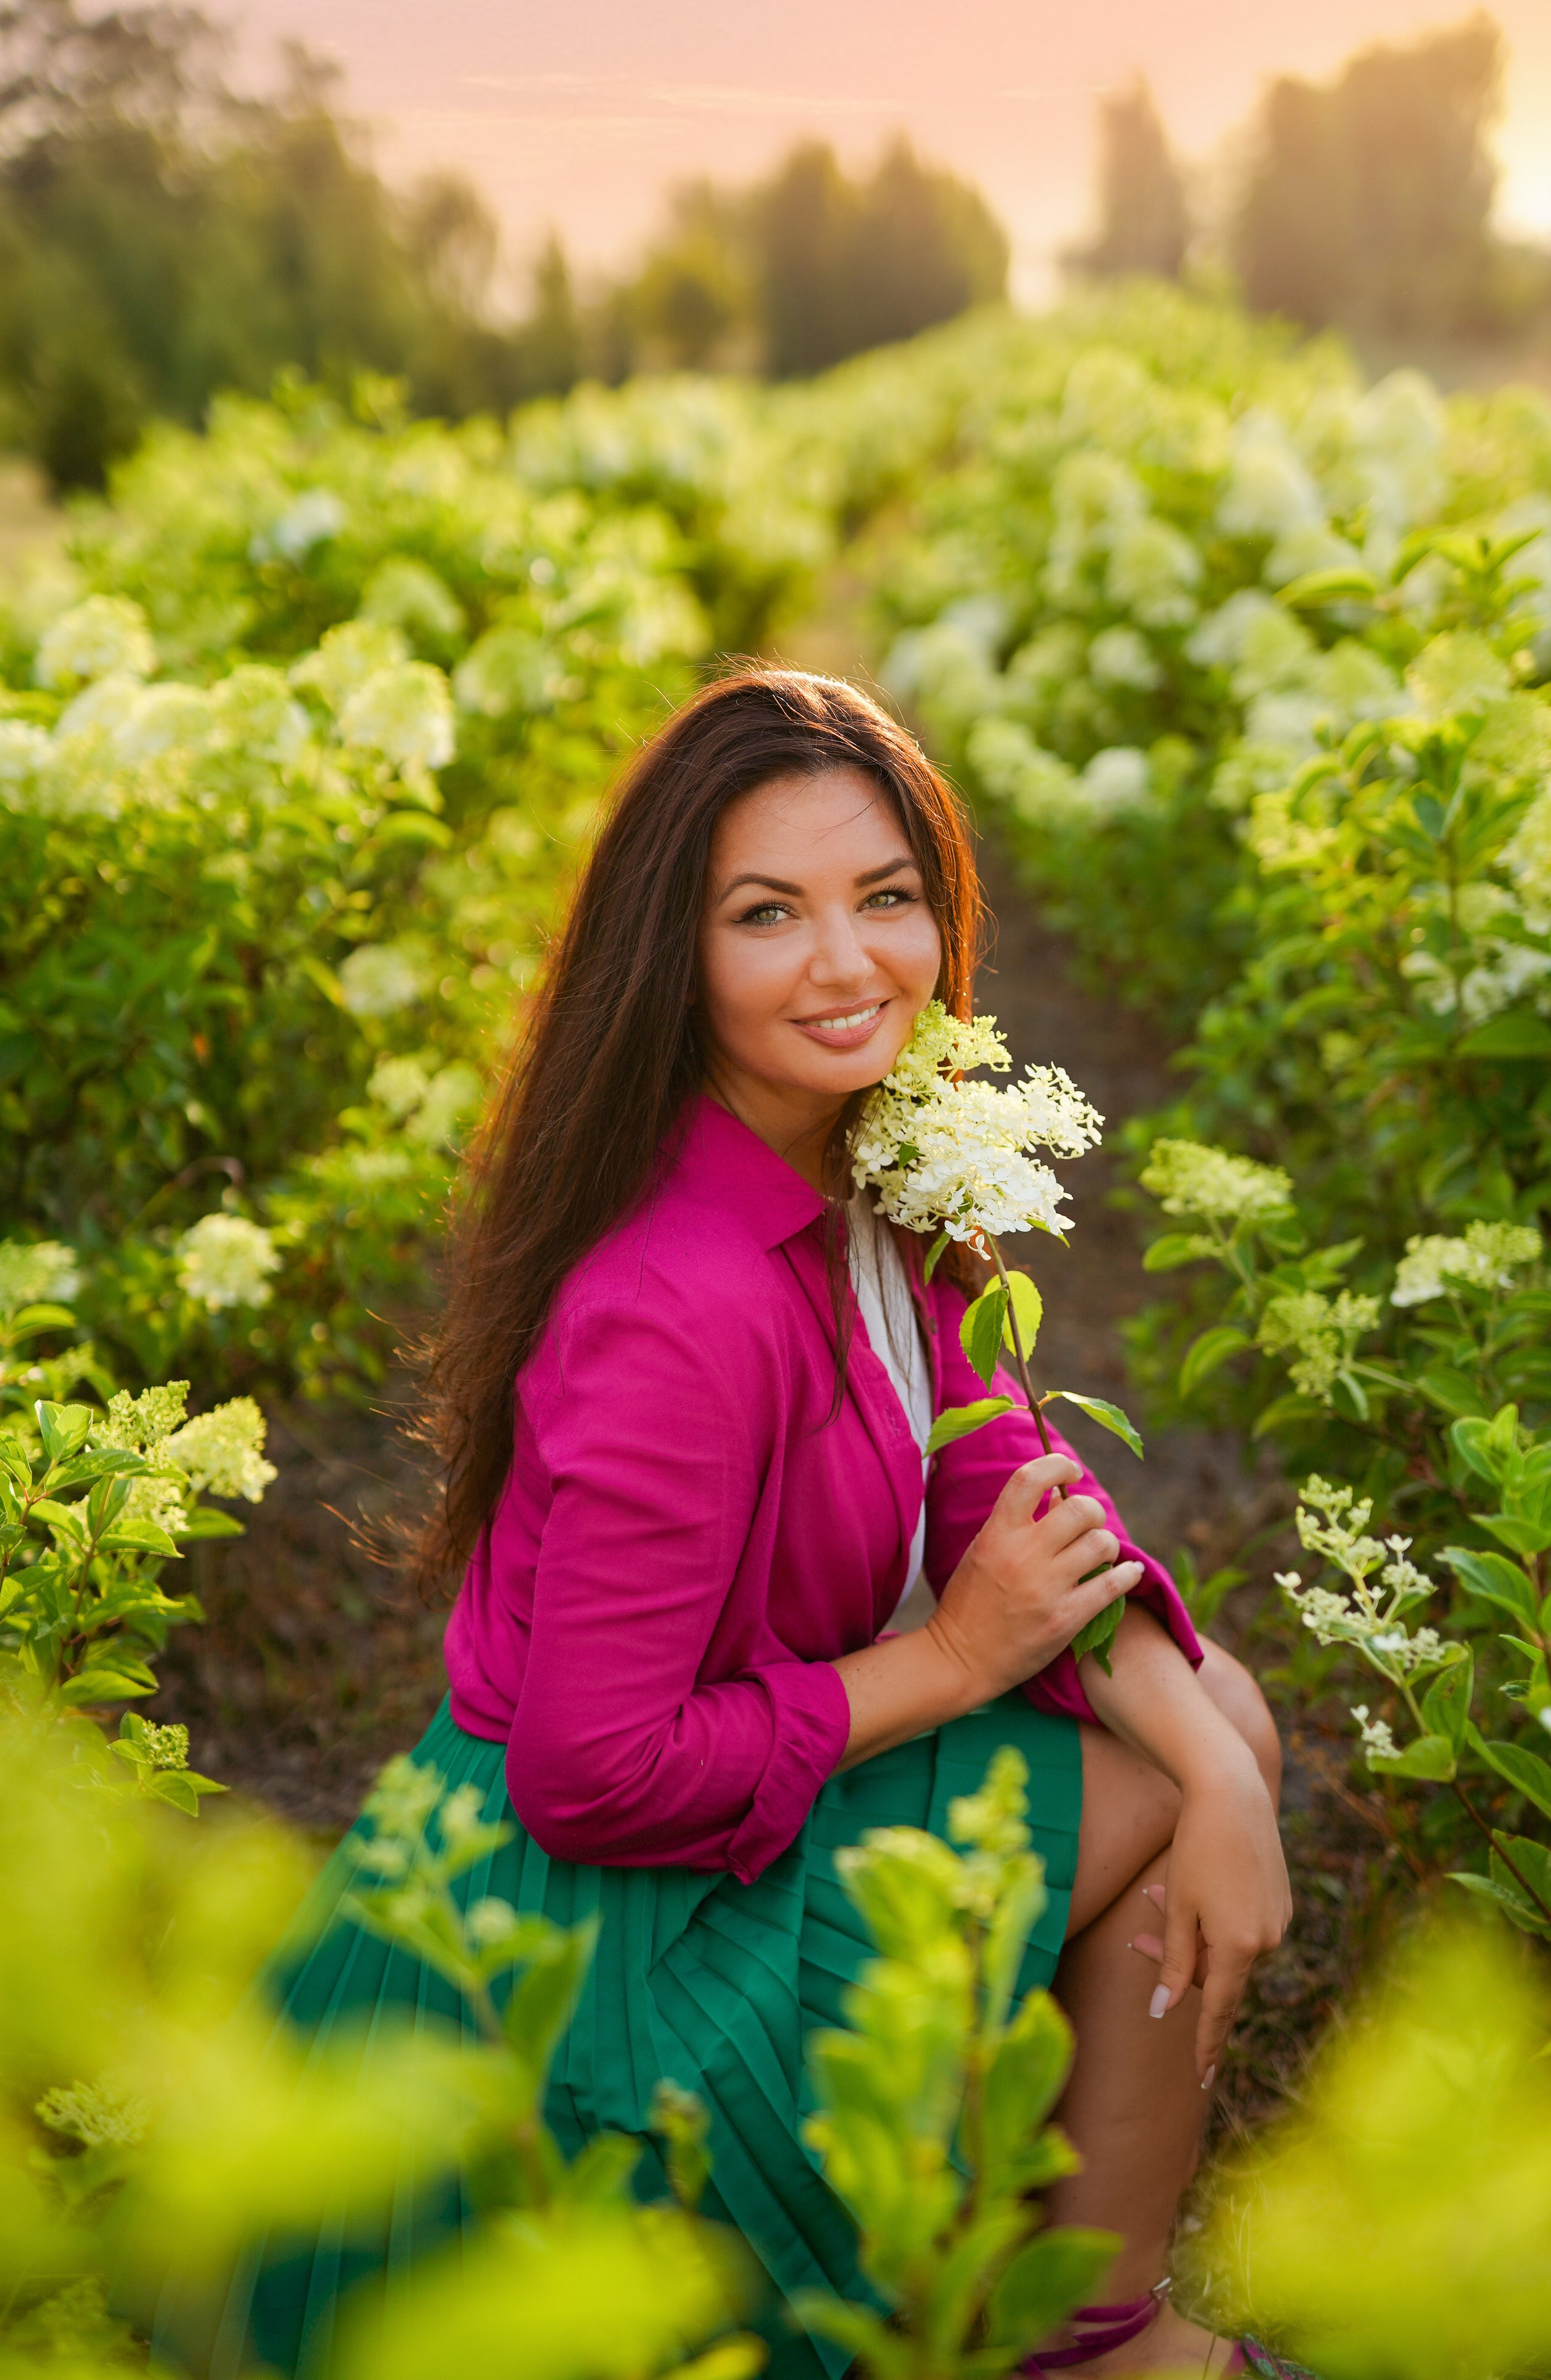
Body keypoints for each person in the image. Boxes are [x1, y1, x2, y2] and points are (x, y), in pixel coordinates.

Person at [242, 670, 1293, 2377]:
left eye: (887, 899)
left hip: (736, 1818)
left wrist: (1230, 1765)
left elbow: (998, 1469)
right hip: (600, 1940)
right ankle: (1095, 2351)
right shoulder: (679, 1301)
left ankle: (1084, 2327)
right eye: (767, 914)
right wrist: (957, 1663)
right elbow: (588, 1775)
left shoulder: (879, 1158)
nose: (849, 963)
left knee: (1207, 1723)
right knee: (1169, 1772)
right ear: (676, 951)